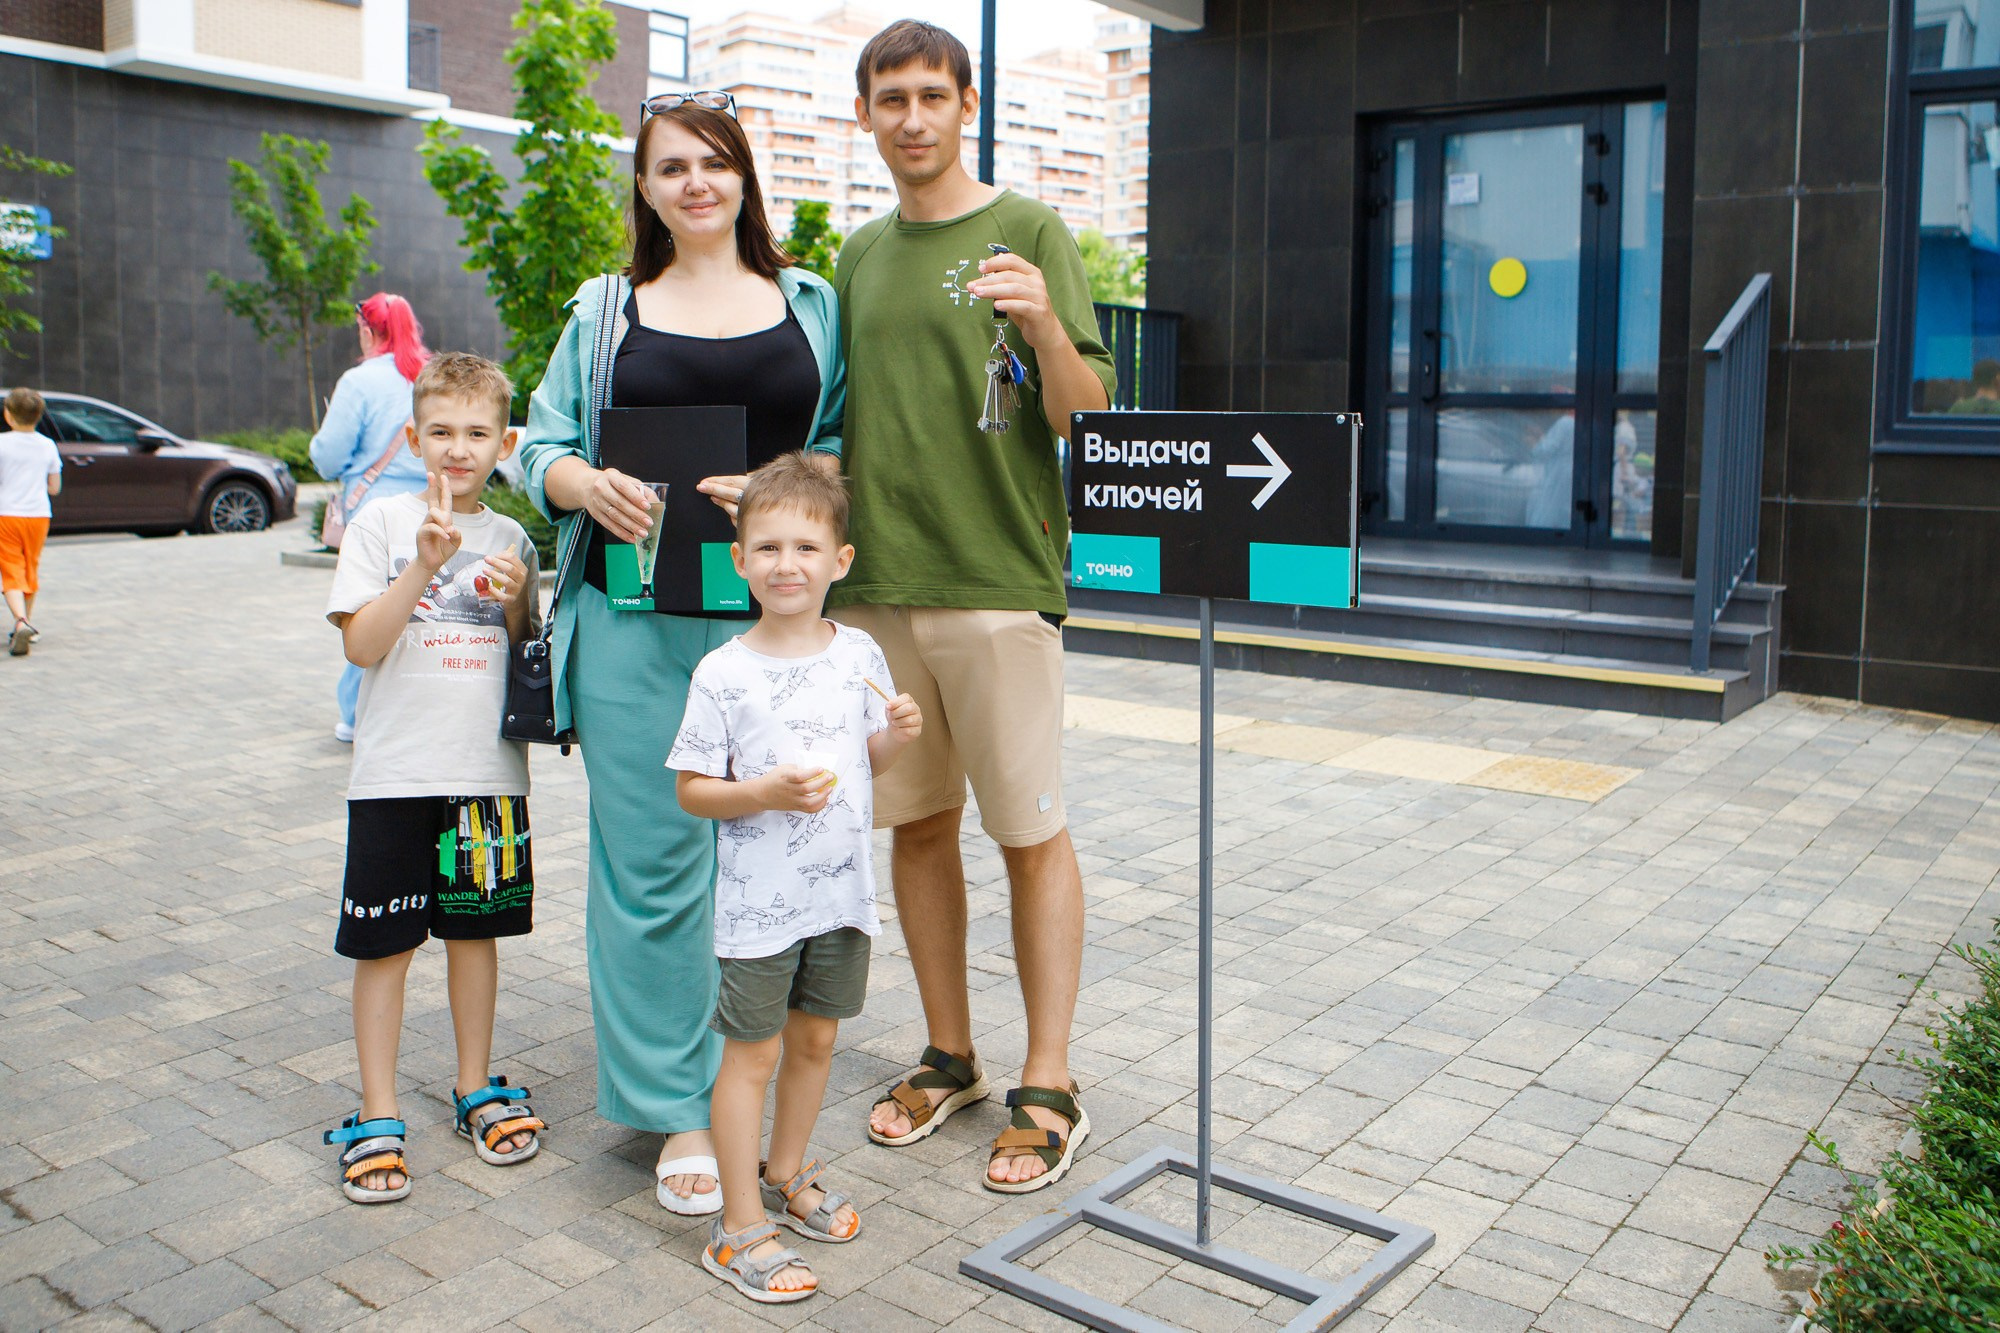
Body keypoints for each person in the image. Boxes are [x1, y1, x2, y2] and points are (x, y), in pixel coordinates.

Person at [519, 91, 846, 1216]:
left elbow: (838, 443)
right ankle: (675, 1111)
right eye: (671, 167)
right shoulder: (605, 310)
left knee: (770, 859)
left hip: (777, 627)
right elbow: (539, 447)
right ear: (645, 188)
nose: (695, 183)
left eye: (714, 162)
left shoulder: (812, 304)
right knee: (654, 868)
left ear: (744, 175)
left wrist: (782, 487)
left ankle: (750, 1083)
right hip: (633, 624)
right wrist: (583, 485)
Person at [833, 19, 1115, 1192]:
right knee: (915, 826)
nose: (911, 117)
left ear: (966, 105)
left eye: (931, 95)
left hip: (997, 583)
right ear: (864, 114)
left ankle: (1048, 1082)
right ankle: (948, 1053)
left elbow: (1086, 419)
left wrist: (1042, 322)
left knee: (1028, 833)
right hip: (874, 590)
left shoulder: (1029, 231)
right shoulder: (856, 253)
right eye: (890, 97)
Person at [668, 453, 921, 1303]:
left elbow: (868, 756)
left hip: (840, 896)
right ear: (739, 558)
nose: (787, 564)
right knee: (754, 1053)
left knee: (816, 1041)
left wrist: (896, 734)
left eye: (806, 548)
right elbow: (692, 790)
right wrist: (763, 793)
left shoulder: (860, 652)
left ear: (839, 561)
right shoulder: (723, 672)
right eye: (769, 547)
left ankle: (786, 1169)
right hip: (759, 909)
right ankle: (738, 1226)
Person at [320, 352, 545, 1204]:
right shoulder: (381, 523)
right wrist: (421, 564)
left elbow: (524, 657)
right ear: (414, 438)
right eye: (441, 431)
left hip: (487, 776)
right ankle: (378, 1108)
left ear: (504, 444)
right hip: (394, 774)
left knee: (475, 936)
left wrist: (519, 604)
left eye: (477, 433)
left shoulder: (514, 540)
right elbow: (361, 645)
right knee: (383, 945)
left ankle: (474, 1084)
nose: (458, 448)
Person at [311, 293, 434, 743]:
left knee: (368, 612)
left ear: (367, 330)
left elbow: (327, 456)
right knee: (425, 613)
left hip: (374, 514)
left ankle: (356, 713)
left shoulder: (359, 381)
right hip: (433, 508)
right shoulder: (431, 375)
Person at [0, 387, 61, 657]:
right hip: (39, 515)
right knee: (30, 566)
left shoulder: (1, 443)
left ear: (8, 415)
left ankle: (21, 621)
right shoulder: (48, 445)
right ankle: (27, 625)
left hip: (7, 514)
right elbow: (54, 487)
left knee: (11, 568)